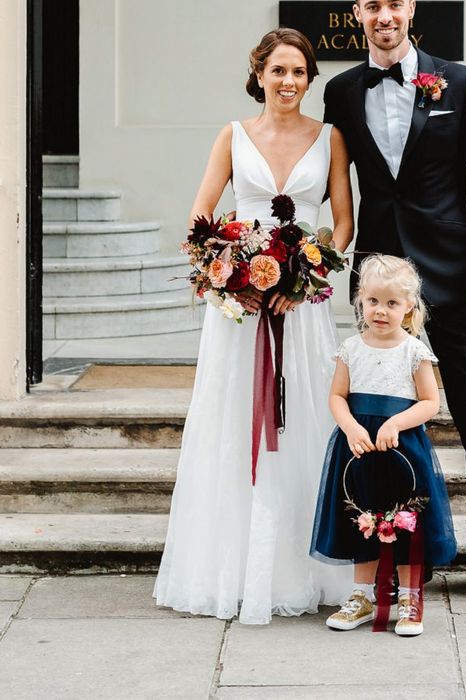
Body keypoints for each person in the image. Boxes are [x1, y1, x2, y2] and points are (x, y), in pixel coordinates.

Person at [154, 28, 354, 623]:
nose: (289, 82)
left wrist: (309, 275)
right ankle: (231, 568)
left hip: (304, 304)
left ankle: (303, 566)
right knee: (234, 417)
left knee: (308, 417)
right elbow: (200, 214)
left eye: (299, 72)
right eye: (279, 71)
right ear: (259, 74)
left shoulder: (330, 138)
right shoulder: (232, 136)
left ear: (309, 79)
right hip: (239, 312)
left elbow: (342, 223)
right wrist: (226, 272)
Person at [323, 0, 466, 611]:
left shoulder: (460, 81)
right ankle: (392, 562)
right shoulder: (341, 91)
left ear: (410, 9)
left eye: (394, 3)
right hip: (381, 289)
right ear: (359, 12)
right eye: (372, 4)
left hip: (456, 277)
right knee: (378, 426)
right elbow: (324, 179)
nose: (385, 15)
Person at [311, 255, 457, 636]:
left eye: (392, 303)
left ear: (409, 307)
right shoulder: (351, 348)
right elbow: (337, 396)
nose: (381, 310)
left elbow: (429, 402)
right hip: (358, 448)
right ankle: (361, 596)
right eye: (374, 301)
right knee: (364, 521)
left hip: (402, 450)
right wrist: (349, 427)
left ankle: (409, 599)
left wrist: (396, 421)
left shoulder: (414, 351)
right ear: (360, 299)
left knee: (405, 523)